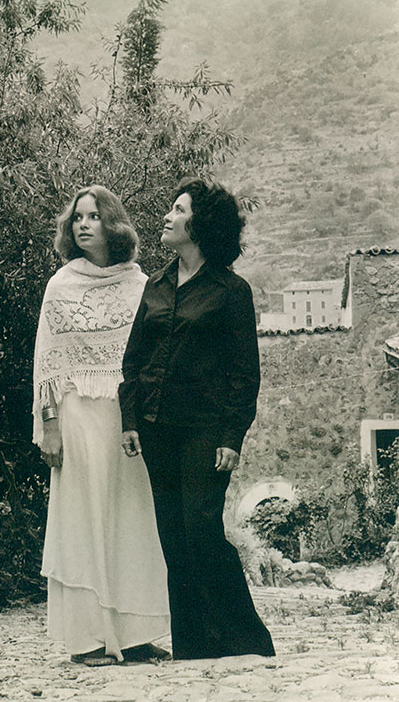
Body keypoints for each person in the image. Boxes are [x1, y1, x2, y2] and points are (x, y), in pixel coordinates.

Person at [119, 178, 275, 661]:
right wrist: (130, 420)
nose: (168, 216)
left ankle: (245, 639)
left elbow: (244, 373)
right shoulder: (156, 285)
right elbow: (134, 360)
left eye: (178, 209)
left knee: (201, 528)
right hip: (156, 426)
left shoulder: (231, 291)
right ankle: (193, 645)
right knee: (172, 533)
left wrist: (232, 435)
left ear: (201, 224)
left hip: (206, 429)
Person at [33, 185, 170, 666]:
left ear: (113, 224)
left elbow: (153, 355)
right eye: (77, 218)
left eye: (93, 216)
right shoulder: (60, 286)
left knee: (132, 518)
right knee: (83, 517)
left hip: (127, 417)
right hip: (77, 414)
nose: (83, 225)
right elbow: (48, 365)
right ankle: (88, 639)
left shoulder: (140, 284)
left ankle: (134, 634)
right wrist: (50, 427)